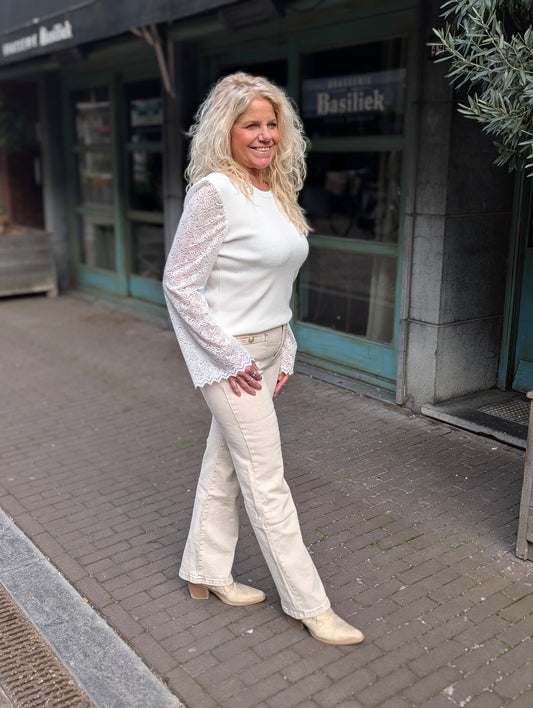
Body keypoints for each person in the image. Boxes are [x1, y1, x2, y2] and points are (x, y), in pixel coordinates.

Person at [162, 72, 363, 646]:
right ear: (226, 130)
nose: (265, 134)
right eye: (251, 124)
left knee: (225, 465)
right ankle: (310, 605)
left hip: (268, 350)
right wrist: (229, 357)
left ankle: (204, 571)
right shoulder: (215, 192)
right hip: (234, 361)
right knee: (266, 480)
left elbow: (277, 281)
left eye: (272, 124)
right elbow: (179, 283)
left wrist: (287, 346)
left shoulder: (272, 189)